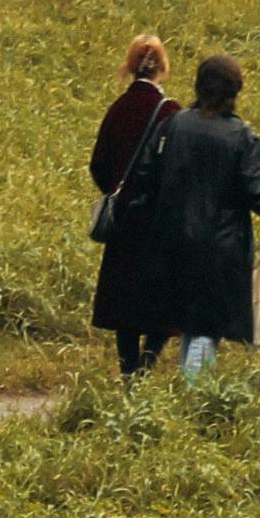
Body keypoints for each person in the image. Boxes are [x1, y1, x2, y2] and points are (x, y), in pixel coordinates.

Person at [122, 52, 260, 381]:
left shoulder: (174, 124)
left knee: (181, 318)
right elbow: (258, 196)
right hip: (219, 249)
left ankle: (146, 384)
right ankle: (195, 398)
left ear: (199, 84)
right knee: (204, 327)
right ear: (234, 90)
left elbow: (145, 175)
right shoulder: (243, 137)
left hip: (170, 242)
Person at [89, 34, 174, 382]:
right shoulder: (171, 113)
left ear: (128, 65)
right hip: (159, 223)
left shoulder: (117, 109)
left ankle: (128, 371)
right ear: (164, 68)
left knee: (123, 303)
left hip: (123, 222)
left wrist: (115, 191)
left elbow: (98, 164)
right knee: (165, 303)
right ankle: (146, 365)